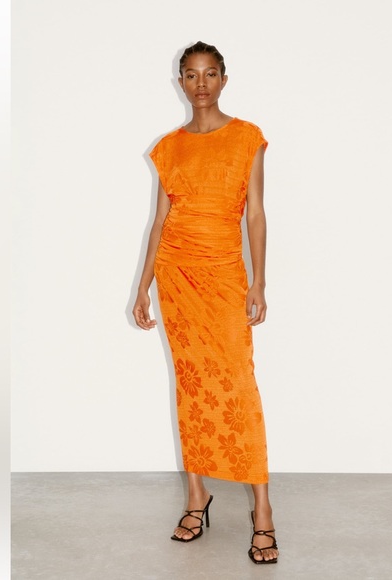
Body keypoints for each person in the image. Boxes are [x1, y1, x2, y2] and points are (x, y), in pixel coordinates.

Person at [132, 41, 279, 564]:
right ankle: (197, 495)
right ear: (180, 82)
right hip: (176, 277)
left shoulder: (247, 138)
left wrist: (259, 281)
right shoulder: (168, 147)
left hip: (223, 275)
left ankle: (263, 509)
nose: (201, 84)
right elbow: (159, 221)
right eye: (191, 75)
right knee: (190, 383)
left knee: (238, 384)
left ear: (223, 79)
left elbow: (255, 214)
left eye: (210, 74)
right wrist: (143, 284)